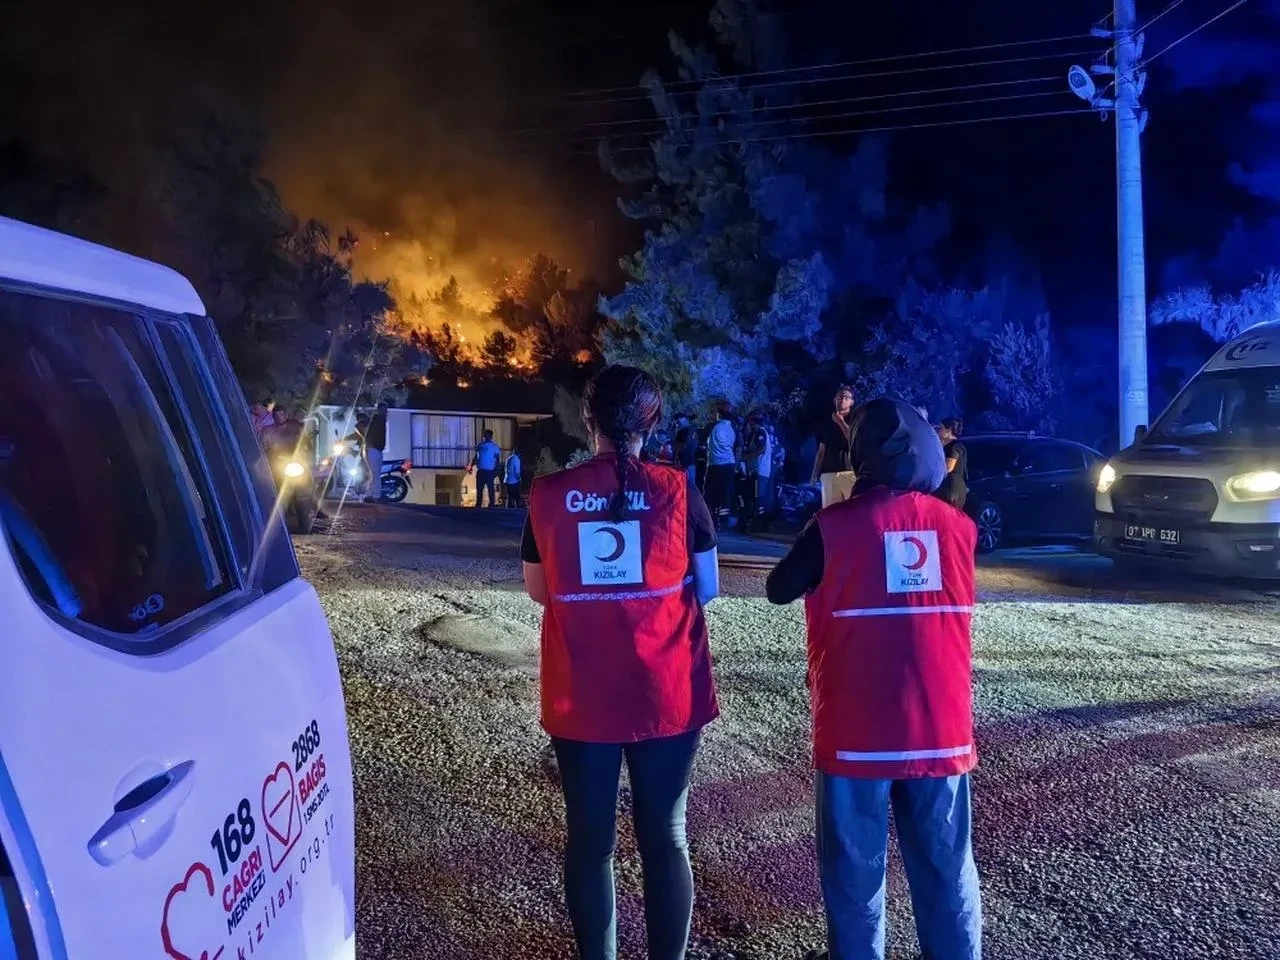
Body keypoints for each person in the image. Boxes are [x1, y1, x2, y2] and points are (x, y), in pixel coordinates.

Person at [766, 398, 981, 960]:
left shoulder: (832, 528)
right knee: (947, 869)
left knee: (855, 876)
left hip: (856, 733)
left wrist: (839, 506)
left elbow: (779, 586)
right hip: (941, 730)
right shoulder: (960, 528)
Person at [521, 365, 720, 960]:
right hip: (667, 692)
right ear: (651, 422)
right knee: (666, 838)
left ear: (589, 421)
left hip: (580, 695)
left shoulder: (549, 496)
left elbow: (539, 588)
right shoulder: (678, 491)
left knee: (590, 843)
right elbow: (706, 585)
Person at [811, 385, 856, 508]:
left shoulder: (855, 420)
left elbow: (854, 440)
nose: (842, 400)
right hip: (828, 475)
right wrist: (815, 475)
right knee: (830, 512)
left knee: (851, 511)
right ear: (834, 400)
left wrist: (840, 422)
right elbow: (821, 451)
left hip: (849, 473)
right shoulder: (826, 423)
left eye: (846, 398)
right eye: (839, 397)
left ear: (852, 401)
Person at [704, 403, 737, 530]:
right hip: (729, 464)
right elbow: (736, 446)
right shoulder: (733, 429)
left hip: (715, 464)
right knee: (725, 493)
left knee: (711, 493)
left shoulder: (713, 427)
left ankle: (710, 519)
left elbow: (704, 441)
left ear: (719, 414)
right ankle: (723, 520)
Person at [741, 411, 773, 534]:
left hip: (759, 471)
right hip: (755, 471)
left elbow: (761, 449)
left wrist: (747, 456)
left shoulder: (760, 432)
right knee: (754, 497)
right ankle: (753, 523)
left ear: (753, 422)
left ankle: (759, 525)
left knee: (758, 498)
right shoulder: (756, 433)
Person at [935, 417, 969, 511]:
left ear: (948, 429)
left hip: (951, 490)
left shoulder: (953, 446)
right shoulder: (946, 445)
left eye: (940, 427)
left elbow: (948, 468)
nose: (937, 430)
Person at [364, 401, 388, 503]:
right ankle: (376, 496)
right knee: (375, 474)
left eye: (385, 409)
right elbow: (362, 428)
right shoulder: (375, 419)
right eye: (382, 409)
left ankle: (369, 495)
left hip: (377, 449)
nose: (384, 411)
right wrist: (369, 444)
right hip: (373, 449)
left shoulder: (381, 420)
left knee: (373, 473)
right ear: (379, 410)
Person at [471, 429, 502, 508]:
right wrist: (471, 465)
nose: (485, 436)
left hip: (489, 471)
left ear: (490, 436)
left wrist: (497, 469)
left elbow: (497, 458)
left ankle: (491, 504)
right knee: (479, 489)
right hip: (481, 470)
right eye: (485, 434)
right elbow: (476, 456)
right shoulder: (480, 445)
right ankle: (478, 504)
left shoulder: (494, 446)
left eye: (486, 434)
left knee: (490, 488)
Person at [674, 415, 698, 487]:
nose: (678, 424)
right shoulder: (693, 429)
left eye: (679, 422)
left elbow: (679, 447)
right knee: (689, 484)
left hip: (687, 462)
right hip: (689, 462)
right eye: (677, 422)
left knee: (688, 484)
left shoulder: (684, 431)